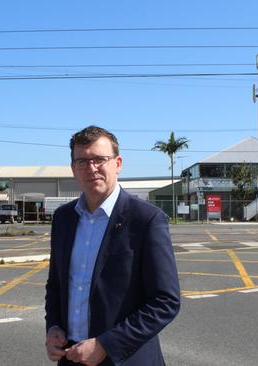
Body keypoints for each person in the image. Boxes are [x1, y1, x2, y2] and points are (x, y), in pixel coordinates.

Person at [45, 126, 181, 366]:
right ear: (73, 169)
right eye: (82, 161)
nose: (91, 168)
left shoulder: (146, 219)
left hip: (126, 358)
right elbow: (56, 284)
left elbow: (165, 301)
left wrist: (106, 345)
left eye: (100, 159)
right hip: (71, 356)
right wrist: (54, 325)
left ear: (118, 163)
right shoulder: (63, 219)